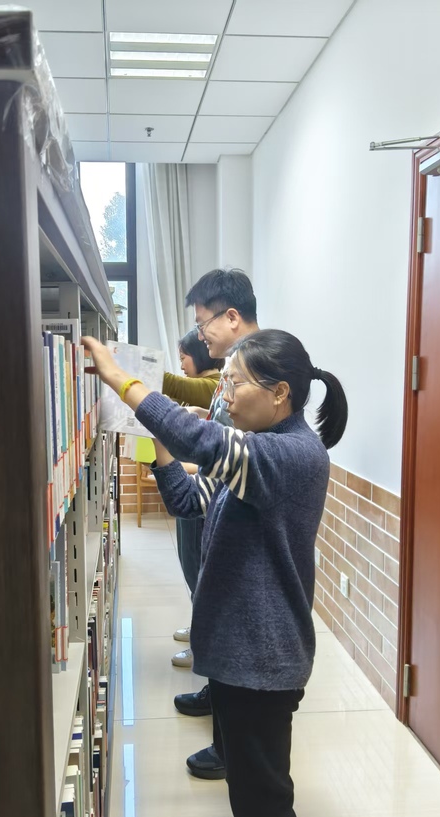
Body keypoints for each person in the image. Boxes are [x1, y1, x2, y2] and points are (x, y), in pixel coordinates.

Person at [82, 328, 348, 817]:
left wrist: (121, 379)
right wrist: (157, 440)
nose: (224, 396)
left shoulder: (291, 455)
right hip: (239, 651)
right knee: (248, 782)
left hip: (261, 658)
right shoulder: (257, 454)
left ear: (279, 393)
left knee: (267, 801)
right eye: (223, 382)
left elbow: (203, 441)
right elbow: (186, 499)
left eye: (235, 383)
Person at [174, 268, 260, 779]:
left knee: (234, 625)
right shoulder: (233, 365)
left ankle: (231, 749)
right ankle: (219, 705)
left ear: (231, 316)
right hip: (217, 499)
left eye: (203, 323)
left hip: (233, 514)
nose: (200, 334)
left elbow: (243, 448)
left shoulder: (259, 366)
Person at [162, 330, 224, 668]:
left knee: (199, 570)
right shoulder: (208, 390)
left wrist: (130, 372)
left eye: (184, 357)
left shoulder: (212, 384)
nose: (182, 365)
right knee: (191, 567)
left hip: (201, 490)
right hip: (194, 484)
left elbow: (173, 385)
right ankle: (200, 628)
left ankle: (204, 642)